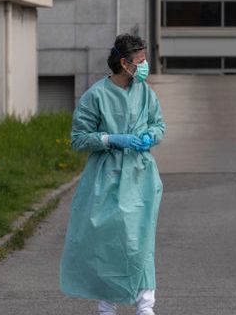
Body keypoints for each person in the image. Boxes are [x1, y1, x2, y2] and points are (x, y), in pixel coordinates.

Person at [60, 33, 166, 315]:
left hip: (140, 176)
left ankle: (145, 306)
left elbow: (158, 125)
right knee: (108, 243)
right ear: (124, 62)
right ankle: (107, 307)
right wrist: (111, 139)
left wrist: (149, 137)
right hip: (106, 177)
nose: (144, 66)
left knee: (140, 243)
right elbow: (79, 138)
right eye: (140, 61)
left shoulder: (145, 93)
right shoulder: (96, 95)